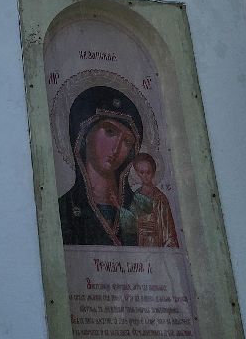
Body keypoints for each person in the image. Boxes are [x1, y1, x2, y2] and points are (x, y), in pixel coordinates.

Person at [57, 85, 144, 247]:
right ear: (85, 134)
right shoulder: (64, 208)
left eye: (127, 141)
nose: (116, 148)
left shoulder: (139, 208)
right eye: (110, 132)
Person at [132, 152, 181, 249]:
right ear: (137, 173)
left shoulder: (160, 199)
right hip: (138, 247)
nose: (145, 176)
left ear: (153, 172)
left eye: (148, 172)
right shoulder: (134, 198)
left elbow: (169, 233)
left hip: (155, 246)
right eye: (142, 172)